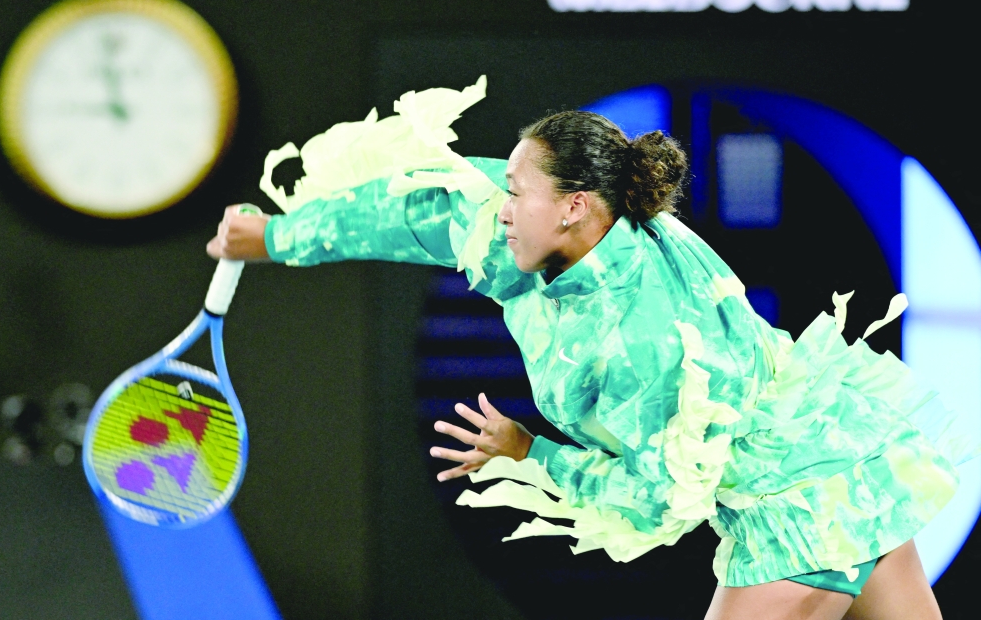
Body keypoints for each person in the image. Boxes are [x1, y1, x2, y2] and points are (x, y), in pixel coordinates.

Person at [208, 83, 973, 619]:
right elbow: (424, 207)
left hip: (799, 505)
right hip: (847, 460)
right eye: (503, 184)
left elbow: (657, 498)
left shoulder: (640, 342)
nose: (498, 205)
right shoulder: (537, 228)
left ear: (574, 206)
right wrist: (275, 236)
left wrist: (527, 451)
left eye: (515, 190)